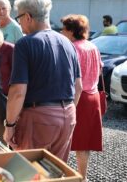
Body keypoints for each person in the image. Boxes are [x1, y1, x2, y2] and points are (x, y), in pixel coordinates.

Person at [3, 0, 82, 162]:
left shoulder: (25, 43)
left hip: (38, 118)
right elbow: (78, 87)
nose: (20, 23)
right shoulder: (68, 43)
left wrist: (9, 125)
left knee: (29, 172)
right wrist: (66, 112)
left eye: (19, 18)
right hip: (68, 116)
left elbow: (17, 91)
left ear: (28, 17)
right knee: (56, 172)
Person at [61, 14, 103, 182]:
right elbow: (100, 71)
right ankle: (83, 177)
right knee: (84, 143)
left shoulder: (72, 48)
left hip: (77, 98)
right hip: (93, 97)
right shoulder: (93, 46)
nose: (62, 31)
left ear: (72, 31)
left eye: (64, 28)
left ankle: (60, 174)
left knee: (63, 139)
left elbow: (68, 77)